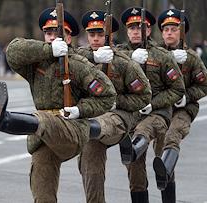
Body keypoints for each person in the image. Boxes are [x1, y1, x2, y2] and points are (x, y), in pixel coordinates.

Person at [0, 7, 116, 203]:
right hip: (43, 137)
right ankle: (5, 120)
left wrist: (80, 109)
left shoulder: (77, 64)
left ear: (68, 38)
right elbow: (12, 51)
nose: (52, 37)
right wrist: (48, 50)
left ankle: (5, 120)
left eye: (58, 33)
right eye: (48, 33)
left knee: (43, 119)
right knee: (42, 193)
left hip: (71, 129)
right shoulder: (36, 64)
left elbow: (108, 95)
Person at [74, 10, 151, 203]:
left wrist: (117, 102)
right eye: (92, 35)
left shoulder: (123, 62)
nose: (96, 39)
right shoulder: (79, 60)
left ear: (110, 36)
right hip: (92, 124)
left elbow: (143, 95)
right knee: (91, 174)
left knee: (136, 172)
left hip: (120, 120)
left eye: (101, 35)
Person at [117, 7, 185, 202]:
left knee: (164, 166)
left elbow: (177, 89)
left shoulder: (162, 56)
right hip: (131, 116)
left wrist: (153, 104)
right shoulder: (117, 55)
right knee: (135, 173)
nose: (136, 31)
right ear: (127, 31)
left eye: (141, 27)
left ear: (148, 30)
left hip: (158, 115)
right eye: (132, 28)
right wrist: (129, 61)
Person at [152, 9, 207, 203]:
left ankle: (166, 173)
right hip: (161, 108)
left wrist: (186, 97)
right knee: (162, 153)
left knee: (172, 135)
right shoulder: (154, 55)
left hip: (184, 109)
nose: (168, 33)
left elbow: (204, 84)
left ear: (181, 32)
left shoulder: (191, 57)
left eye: (173, 29)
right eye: (165, 29)